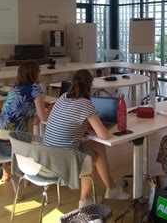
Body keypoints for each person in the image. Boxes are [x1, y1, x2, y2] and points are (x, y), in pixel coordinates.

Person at [42, 69, 129, 208]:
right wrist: (94, 130)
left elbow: (67, 122)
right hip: (64, 157)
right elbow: (104, 135)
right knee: (91, 159)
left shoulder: (63, 97)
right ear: (89, 86)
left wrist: (83, 128)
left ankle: (110, 189)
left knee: (98, 147)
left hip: (48, 153)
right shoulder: (85, 104)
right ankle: (85, 201)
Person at [0, 61, 49, 181]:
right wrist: (48, 109)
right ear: (35, 74)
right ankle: (28, 173)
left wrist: (35, 114)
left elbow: (21, 110)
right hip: (13, 147)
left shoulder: (15, 88)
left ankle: (6, 171)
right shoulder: (35, 88)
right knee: (40, 144)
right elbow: (44, 117)